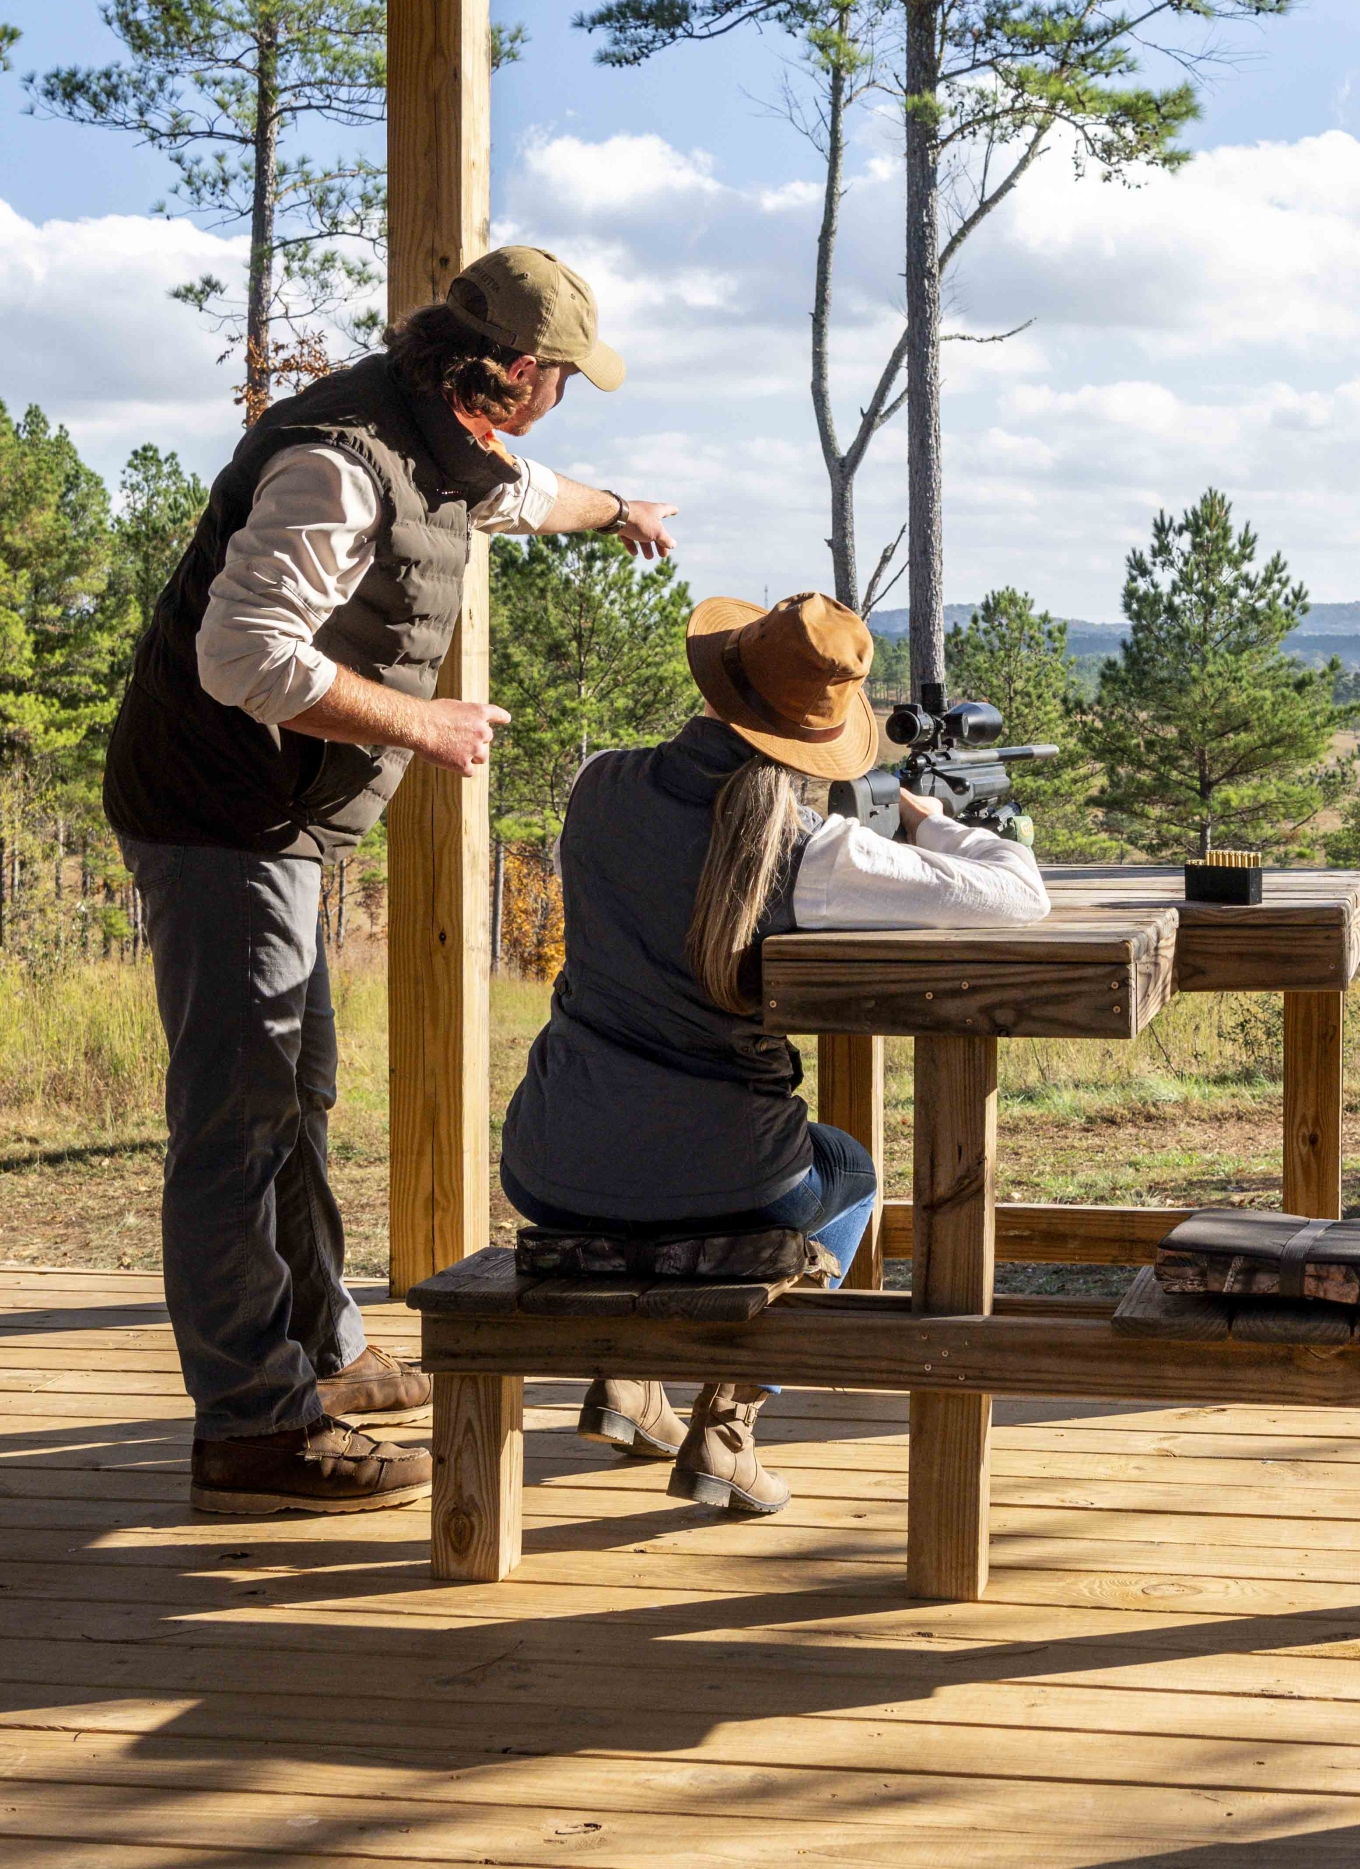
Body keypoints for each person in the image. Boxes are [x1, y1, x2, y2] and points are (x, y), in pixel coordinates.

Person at [105, 246, 678, 1518]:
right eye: (568, 378)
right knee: (236, 1123)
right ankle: (255, 1425)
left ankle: (322, 1352)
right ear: (518, 372)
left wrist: (623, 506)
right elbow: (241, 654)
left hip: (276, 819)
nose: (566, 400)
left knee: (292, 1094)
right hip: (218, 813)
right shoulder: (339, 461)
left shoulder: (437, 436)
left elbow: (532, 496)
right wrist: (425, 726)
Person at [502, 588, 1050, 1518]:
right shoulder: (809, 849)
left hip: (546, 1161)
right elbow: (1017, 895)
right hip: (726, 1175)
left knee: (662, 1171)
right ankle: (726, 1427)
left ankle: (630, 1385)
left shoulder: (596, 786)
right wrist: (928, 821)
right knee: (849, 1170)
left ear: (718, 684)